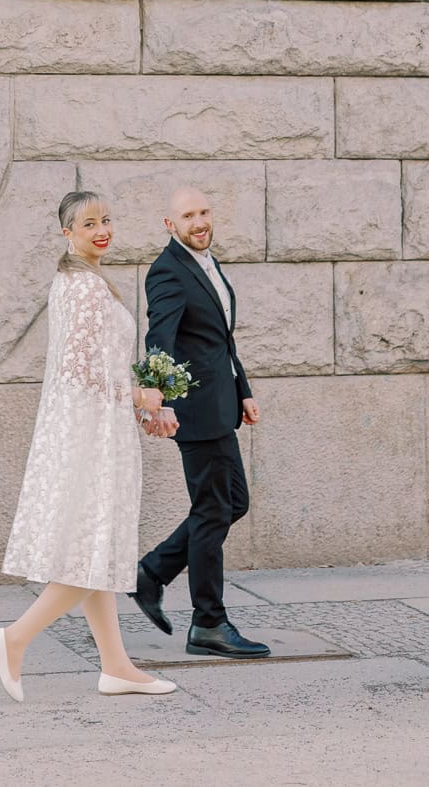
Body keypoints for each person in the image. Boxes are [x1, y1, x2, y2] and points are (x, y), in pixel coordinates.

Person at [0, 189, 180, 702]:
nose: (102, 231)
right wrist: (139, 395)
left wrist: (140, 404)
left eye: (106, 220)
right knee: (92, 549)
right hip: (92, 435)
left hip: (95, 426)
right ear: (67, 233)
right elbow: (79, 370)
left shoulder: (79, 280)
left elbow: (94, 367)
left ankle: (116, 666)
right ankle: (14, 638)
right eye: (89, 223)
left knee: (99, 547)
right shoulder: (85, 287)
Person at [132, 186, 271, 660]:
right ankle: (209, 623)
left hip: (221, 404)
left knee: (233, 502)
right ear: (169, 224)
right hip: (195, 411)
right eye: (188, 215)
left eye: (204, 212)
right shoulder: (167, 271)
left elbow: (221, 340)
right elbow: (160, 339)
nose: (199, 222)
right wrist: (156, 400)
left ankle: (152, 572)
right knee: (213, 511)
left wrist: (243, 390)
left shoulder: (206, 262)